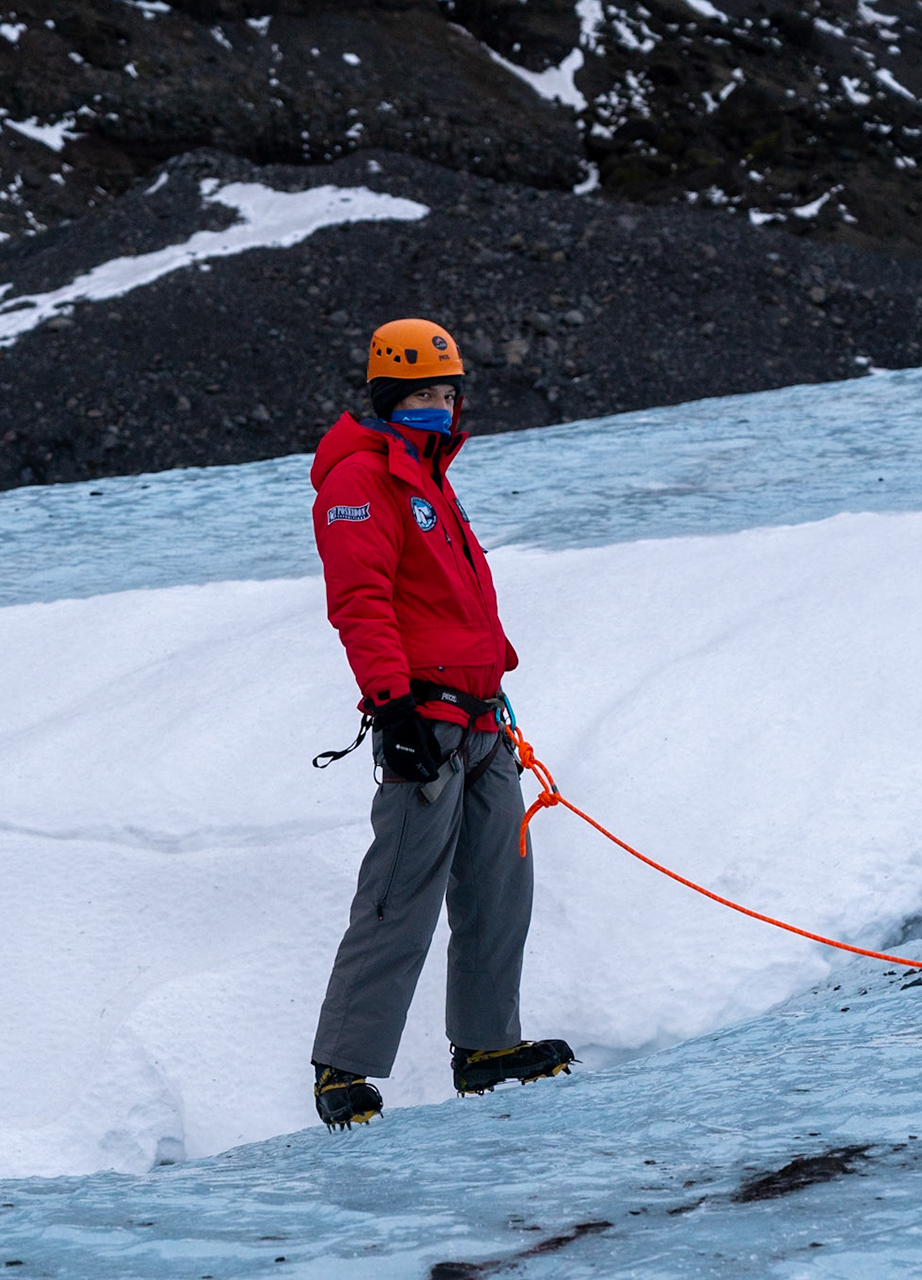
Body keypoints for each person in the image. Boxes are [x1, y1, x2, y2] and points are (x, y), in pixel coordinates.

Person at [307, 317, 574, 1130]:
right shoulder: (362, 481)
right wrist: (390, 707)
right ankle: (342, 1071)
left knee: (501, 887)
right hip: (424, 717)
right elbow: (362, 606)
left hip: (482, 717)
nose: (439, 404)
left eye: (448, 391)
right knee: (401, 893)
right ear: (388, 396)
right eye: (422, 393)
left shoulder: (428, 475)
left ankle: (488, 1048)